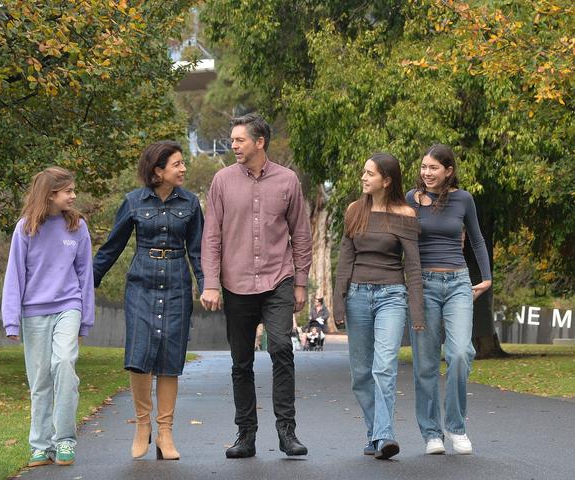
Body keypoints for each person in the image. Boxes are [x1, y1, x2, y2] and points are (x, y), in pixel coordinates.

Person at [200, 113, 312, 458]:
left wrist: (301, 282)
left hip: (278, 279)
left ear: (259, 142)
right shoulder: (221, 181)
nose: (233, 145)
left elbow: (301, 234)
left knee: (281, 348)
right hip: (235, 283)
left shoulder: (287, 180)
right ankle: (246, 435)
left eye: (239, 140)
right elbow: (212, 236)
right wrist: (211, 283)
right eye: (232, 140)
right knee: (240, 362)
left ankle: (287, 432)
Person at [92, 141, 204, 461]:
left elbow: (196, 252)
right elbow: (112, 248)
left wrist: (208, 285)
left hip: (177, 286)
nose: (183, 169)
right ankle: (143, 426)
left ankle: (165, 433)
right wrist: (88, 283)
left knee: (170, 358)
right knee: (139, 354)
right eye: (177, 164)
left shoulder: (192, 204)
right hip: (141, 285)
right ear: (159, 171)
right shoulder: (133, 202)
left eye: (183, 164)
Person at [333, 153, 424, 460]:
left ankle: (385, 436)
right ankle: (375, 434)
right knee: (360, 373)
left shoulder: (405, 215)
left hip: (392, 296)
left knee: (383, 367)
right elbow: (345, 259)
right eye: (363, 172)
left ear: (387, 180)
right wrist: (338, 302)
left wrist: (418, 311)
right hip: (357, 295)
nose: (363, 178)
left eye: (369, 174)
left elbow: (413, 266)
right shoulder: (354, 211)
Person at [2, 167, 95, 467]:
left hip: (69, 306)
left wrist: (85, 318)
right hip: (34, 312)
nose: (73, 195)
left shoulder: (77, 226)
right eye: (68, 191)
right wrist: (11, 319)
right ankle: (40, 446)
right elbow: (14, 275)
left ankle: (65, 439)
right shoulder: (25, 228)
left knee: (65, 363)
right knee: (40, 380)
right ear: (50, 194)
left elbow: (85, 274)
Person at [406, 144, 492, 455]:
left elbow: (478, 238)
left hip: (458, 282)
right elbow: (403, 243)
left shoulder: (463, 199)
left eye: (433, 168)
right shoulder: (411, 200)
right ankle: (431, 433)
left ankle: (456, 427)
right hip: (424, 284)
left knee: (459, 354)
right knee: (426, 362)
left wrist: (486, 278)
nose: (426, 173)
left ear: (448, 171)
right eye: (424, 167)